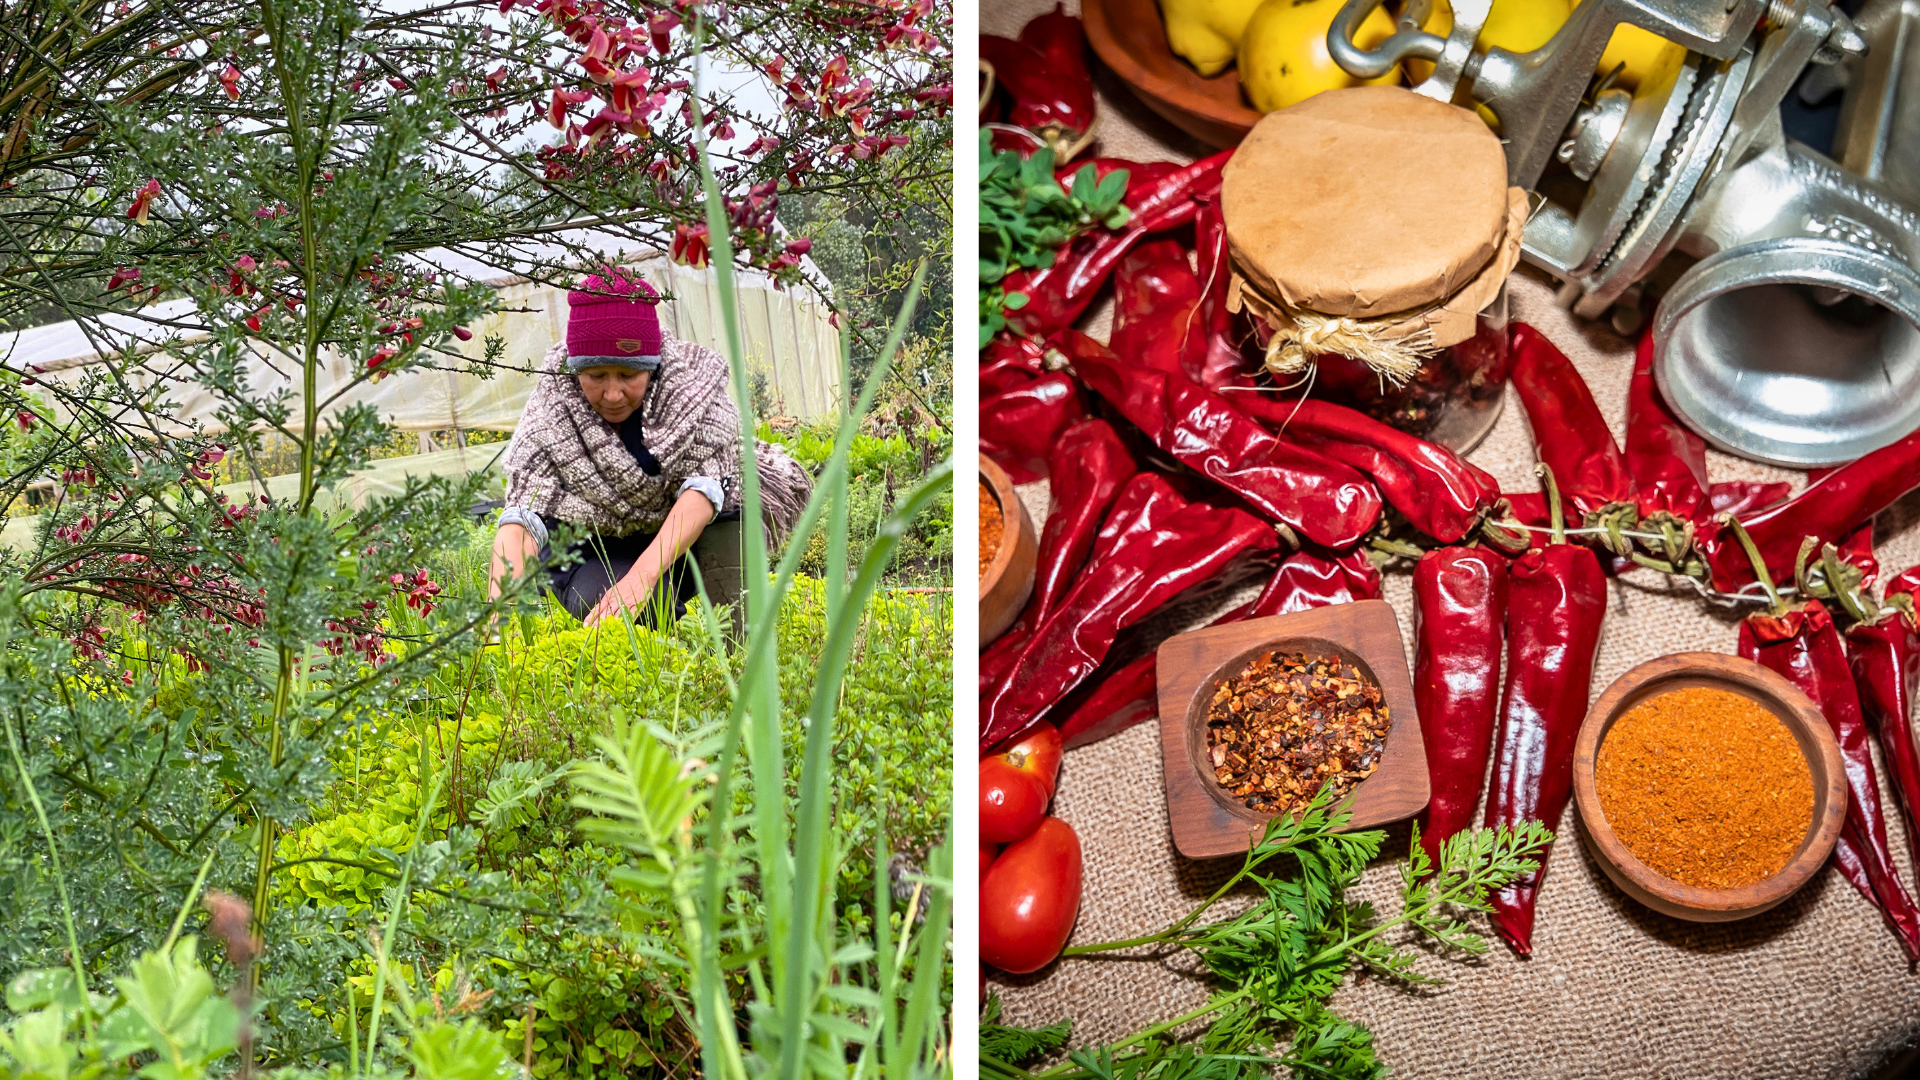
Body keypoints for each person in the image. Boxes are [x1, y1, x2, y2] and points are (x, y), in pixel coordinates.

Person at [490, 267, 811, 626]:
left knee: (737, 596)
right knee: (623, 610)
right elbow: (523, 513)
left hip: (690, 528)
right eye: (595, 377)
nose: (612, 394)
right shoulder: (552, 406)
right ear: (574, 368)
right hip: (595, 543)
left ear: (653, 368)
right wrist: (499, 615)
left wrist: (642, 578)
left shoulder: (694, 390)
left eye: (629, 376)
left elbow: (706, 487)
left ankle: (736, 656)